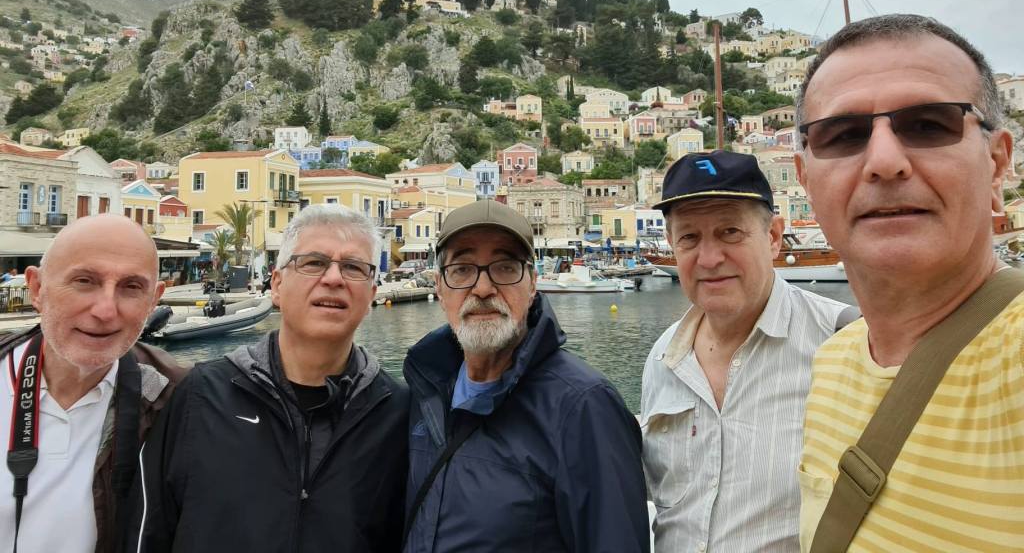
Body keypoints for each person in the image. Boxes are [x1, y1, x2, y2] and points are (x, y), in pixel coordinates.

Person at [794, 14, 1021, 550]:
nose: (884, 161)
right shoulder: (832, 361)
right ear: (805, 181)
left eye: (928, 125)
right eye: (843, 135)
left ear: (997, 164)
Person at [127, 204, 409, 552]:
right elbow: (148, 530)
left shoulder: (397, 413)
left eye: (353, 267)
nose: (334, 278)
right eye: (314, 262)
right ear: (277, 285)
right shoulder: (201, 396)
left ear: (371, 296)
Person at [403, 199, 650, 553]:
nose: (483, 288)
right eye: (462, 269)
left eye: (505, 268)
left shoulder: (584, 407)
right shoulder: (425, 393)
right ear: (440, 288)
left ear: (533, 284)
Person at [641, 151, 854, 552]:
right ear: (672, 245)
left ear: (773, 237)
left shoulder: (843, 341)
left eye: (730, 232)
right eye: (689, 238)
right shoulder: (662, 358)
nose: (709, 258)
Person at [0, 214, 186, 553]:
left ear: (154, 300)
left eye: (131, 287)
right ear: (37, 288)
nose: (105, 311)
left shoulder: (175, 397)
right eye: (85, 281)